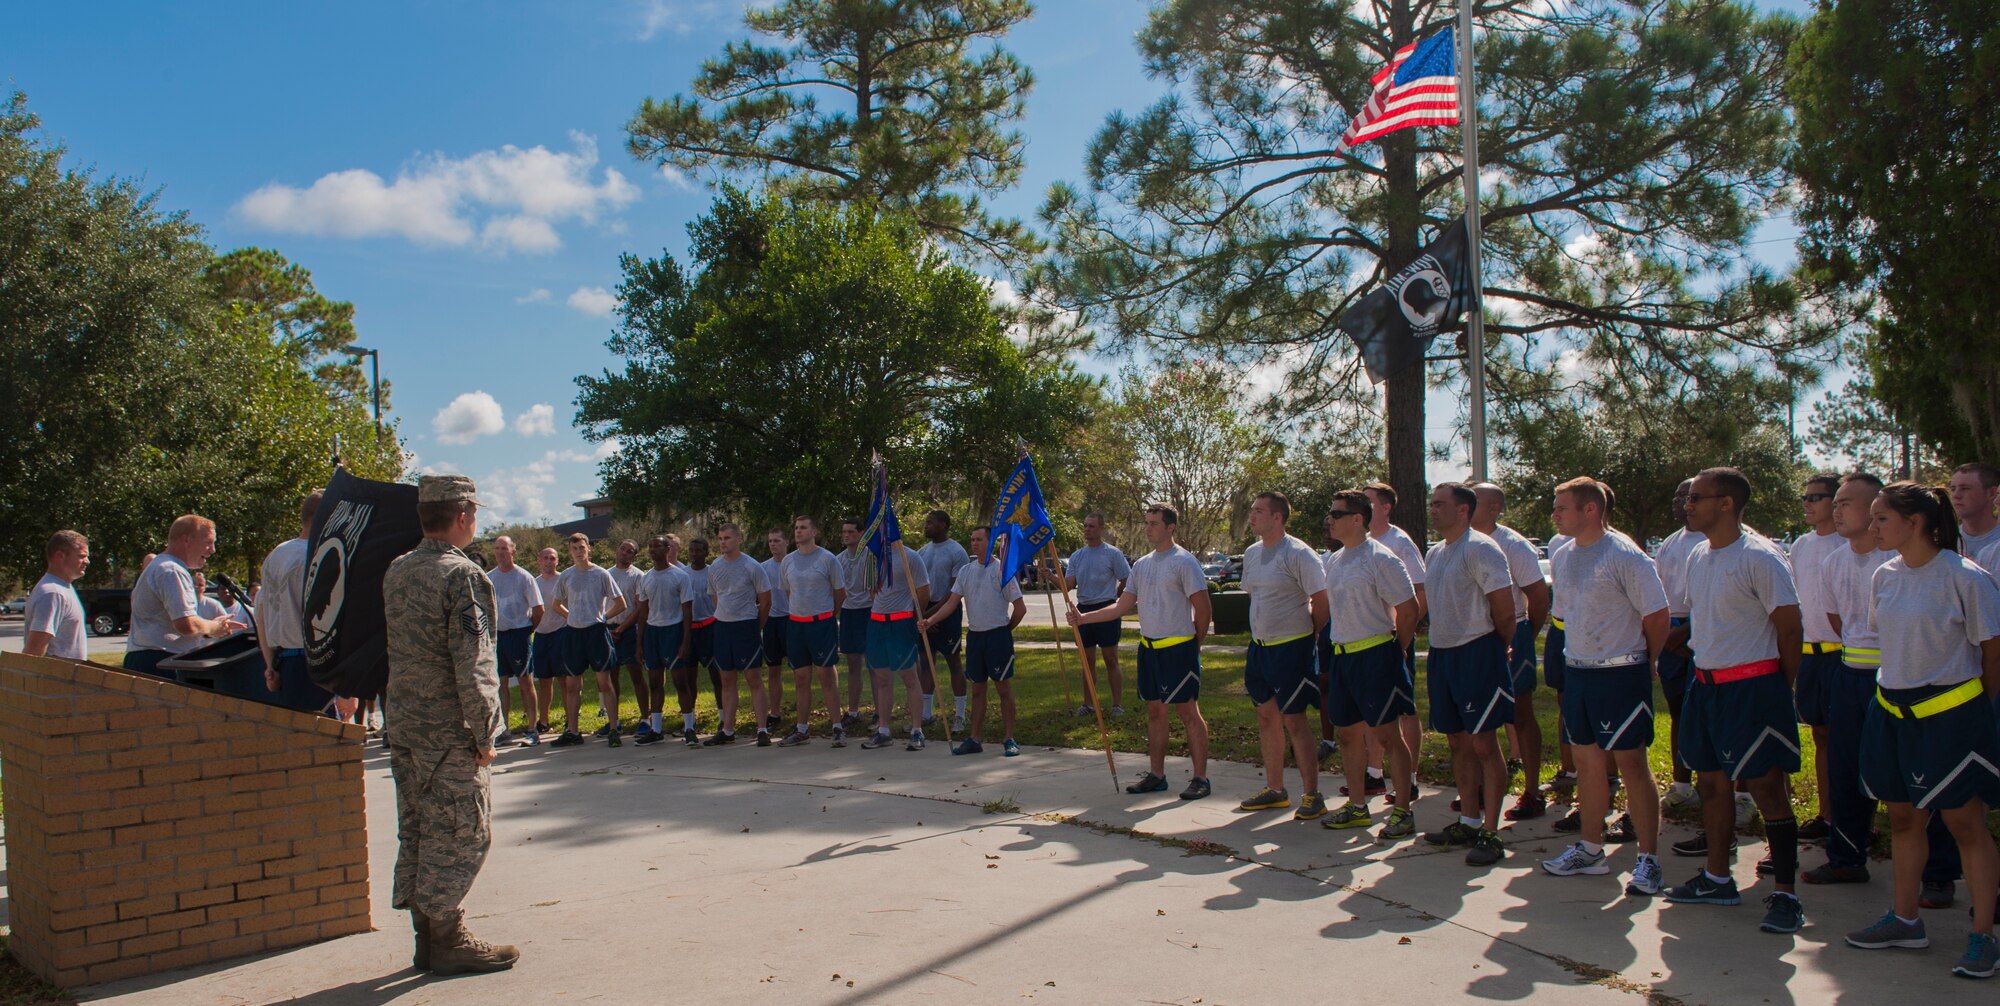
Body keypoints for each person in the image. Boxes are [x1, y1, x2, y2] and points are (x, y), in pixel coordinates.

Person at [1844, 482, 2000, 979]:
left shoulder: (1966, 578)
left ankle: (1983, 937)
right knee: (1905, 820)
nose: (1872, 528)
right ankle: (1905, 920)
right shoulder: (1884, 576)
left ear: (1915, 523)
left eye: (1881, 519)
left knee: (1965, 825)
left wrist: (1975, 715)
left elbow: (1992, 655)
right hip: (1891, 712)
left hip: (1951, 718)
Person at [381, 474, 517, 975]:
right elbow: (474, 658)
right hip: (447, 728)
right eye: (474, 514)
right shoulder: (461, 576)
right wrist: (486, 732)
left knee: (418, 828)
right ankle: (447, 938)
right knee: (463, 832)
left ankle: (428, 939)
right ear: (462, 516)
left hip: (406, 725)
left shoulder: (397, 571)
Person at [1663, 467, 1808, 935]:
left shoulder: (1761, 558)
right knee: (1711, 785)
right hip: (1706, 686)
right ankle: (1717, 878)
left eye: (1698, 497)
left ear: (1726, 503)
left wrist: (1775, 688)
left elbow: (1789, 629)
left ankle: (1786, 894)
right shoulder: (1699, 556)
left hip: (1754, 687)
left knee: (1766, 788)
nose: (1688, 504)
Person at [1537, 478, 1671, 896]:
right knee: (1588, 763)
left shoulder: (1625, 554)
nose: (1555, 514)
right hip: (1579, 671)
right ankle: (1591, 850)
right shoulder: (1563, 555)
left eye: (1562, 507)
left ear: (1591, 509)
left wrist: (1648, 661)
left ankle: (1648, 861)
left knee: (1631, 764)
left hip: (1620, 673)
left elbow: (1657, 616)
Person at [1070, 504, 1213, 799]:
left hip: (1179, 649)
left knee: (1189, 713)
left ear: (1170, 527)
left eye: (1154, 524)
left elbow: (1203, 610)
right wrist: (1084, 618)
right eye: (1146, 523)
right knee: (1155, 712)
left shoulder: (1184, 562)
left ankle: (1200, 778)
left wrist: (1193, 647)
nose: (1148, 528)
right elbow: (1122, 606)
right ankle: (1157, 775)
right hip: (1149, 649)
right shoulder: (1142, 565)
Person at [1417, 483, 1518, 867]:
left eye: (1439, 504)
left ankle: (1491, 832)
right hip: (1443, 656)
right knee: (1458, 743)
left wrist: (1497, 646)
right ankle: (1469, 820)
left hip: (1478, 654)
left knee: (1483, 745)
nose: (1432, 510)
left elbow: (1504, 610)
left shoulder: (1481, 548)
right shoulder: (1436, 553)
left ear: (1463, 510)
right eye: (1432, 503)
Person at [1315, 491, 1419, 839]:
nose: (1329, 519)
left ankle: (1403, 810)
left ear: (1358, 519)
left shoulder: (1381, 558)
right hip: (1343, 656)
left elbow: (1408, 610)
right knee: (1347, 735)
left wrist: (1397, 650)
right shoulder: (1336, 560)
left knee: (1388, 735)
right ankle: (1358, 806)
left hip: (1376, 655)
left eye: (1336, 513)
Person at [1810, 472, 1890, 886]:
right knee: (1844, 768)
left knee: (1903, 774)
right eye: (1835, 502)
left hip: (1893, 680)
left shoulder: (1894, 561)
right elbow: (1840, 621)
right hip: (1849, 675)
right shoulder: (1833, 562)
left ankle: (1937, 872)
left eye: (1846, 503)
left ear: (1875, 508)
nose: (1837, 510)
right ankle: (1845, 856)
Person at [1235, 491, 1329, 819]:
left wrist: (1310, 636)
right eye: (1252, 510)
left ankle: (1312, 795)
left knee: (1295, 720)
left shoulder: (1300, 553)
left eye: (1259, 511)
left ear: (1278, 517)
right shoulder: (1251, 553)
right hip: (1260, 648)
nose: (1252, 516)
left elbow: (1322, 599)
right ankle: (1275, 790)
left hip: (1293, 648)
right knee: (1266, 716)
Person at [1472, 482, 1553, 820]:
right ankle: (1479, 791)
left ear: (1493, 508)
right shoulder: (1460, 543)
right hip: (1474, 637)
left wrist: (1523, 635)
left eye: (1474, 501)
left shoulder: (1513, 545)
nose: (1465, 505)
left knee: (1520, 713)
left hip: (1511, 631)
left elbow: (1538, 596)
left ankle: (1532, 792)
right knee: (1476, 718)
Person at [925, 525, 1025, 756]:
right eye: (972, 539)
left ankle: (1009, 738)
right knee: (977, 689)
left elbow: (1020, 608)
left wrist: (1006, 629)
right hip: (975, 637)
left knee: (1003, 689)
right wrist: (929, 620)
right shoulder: (966, 571)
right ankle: (974, 738)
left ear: (990, 543)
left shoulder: (1002, 570)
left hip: (997, 636)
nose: (974, 543)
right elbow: (951, 603)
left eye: (979, 539)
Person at [1363, 481, 1427, 798]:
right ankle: (1374, 773)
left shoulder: (1399, 543)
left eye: (1368, 501)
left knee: (1405, 710)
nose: (1362, 504)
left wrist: (1403, 640)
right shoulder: (1360, 541)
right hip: (1368, 640)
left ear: (1386, 507)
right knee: (1373, 709)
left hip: (1395, 639)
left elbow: (1419, 593)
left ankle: (1410, 778)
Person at [1791, 474, 1846, 842]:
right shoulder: (1800, 546)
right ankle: (1827, 816)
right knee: (1822, 737)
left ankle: (1858, 822)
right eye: (1805, 497)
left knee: (1849, 740)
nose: (1809, 503)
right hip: (1809, 654)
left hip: (1845, 656)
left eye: (1817, 497)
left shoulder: (1853, 544)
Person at [124, 515, 243, 678]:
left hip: (150, 659)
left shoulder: (161, 566)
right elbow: (186, 625)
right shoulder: (171, 571)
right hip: (160, 663)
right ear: (186, 540)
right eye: (208, 542)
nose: (213, 549)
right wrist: (216, 628)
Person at [255, 493, 332, 715]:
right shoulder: (316, 556)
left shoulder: (276, 555)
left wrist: (270, 665)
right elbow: (326, 620)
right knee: (325, 743)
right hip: (314, 667)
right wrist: (345, 689)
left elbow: (262, 615)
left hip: (284, 664)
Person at [549, 533, 626, 747]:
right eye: (574, 548)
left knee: (605, 683)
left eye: (582, 547)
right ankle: (573, 732)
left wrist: (603, 618)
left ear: (588, 548)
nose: (579, 551)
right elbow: (556, 604)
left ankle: (613, 729)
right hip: (574, 633)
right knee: (572, 685)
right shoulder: (566, 576)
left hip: (596, 633)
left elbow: (621, 603)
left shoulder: (600, 574)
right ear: (570, 550)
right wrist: (571, 616)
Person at [777, 516, 847, 747]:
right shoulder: (788, 561)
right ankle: (802, 729)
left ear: (814, 531)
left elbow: (839, 593)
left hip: (822, 624)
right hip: (796, 625)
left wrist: (826, 614)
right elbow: (789, 593)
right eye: (796, 528)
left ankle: (837, 727)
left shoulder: (827, 559)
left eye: (803, 527)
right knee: (800, 678)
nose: (798, 531)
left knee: (826, 675)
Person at [1655, 479, 1703, 814]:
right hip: (1672, 635)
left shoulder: (1717, 541)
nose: (1680, 503)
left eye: (1687, 496)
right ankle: (1682, 786)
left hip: (1704, 630)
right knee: (1679, 713)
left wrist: (1689, 631)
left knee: (1710, 716)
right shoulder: (1670, 544)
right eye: (1676, 496)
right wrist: (1669, 637)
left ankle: (1738, 796)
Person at [704, 524, 773, 746]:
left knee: (753, 678)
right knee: (726, 679)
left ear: (739, 539)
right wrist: (725, 615)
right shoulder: (714, 567)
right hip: (723, 627)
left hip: (746, 627)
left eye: (727, 538)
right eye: (720, 538)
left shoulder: (752, 566)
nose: (723, 542)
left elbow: (765, 600)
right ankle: (727, 730)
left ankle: (762, 729)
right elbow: (715, 597)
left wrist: (756, 626)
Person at [861, 538, 931, 751]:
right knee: (882, 679)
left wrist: (912, 615)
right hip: (877, 623)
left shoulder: (909, 556)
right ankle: (883, 731)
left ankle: (917, 730)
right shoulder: (873, 556)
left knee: (910, 677)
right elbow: (871, 590)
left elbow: (924, 591)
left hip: (901, 622)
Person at [1066, 514, 1132, 719]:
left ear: (1101, 528)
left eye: (1092, 526)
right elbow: (1067, 585)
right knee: (1087, 661)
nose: (1087, 529)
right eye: (1085, 526)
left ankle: (1117, 705)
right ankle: (1088, 704)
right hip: (1083, 610)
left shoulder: (1112, 554)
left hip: (1106, 609)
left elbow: (1126, 579)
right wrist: (1051, 577)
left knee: (1111, 659)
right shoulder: (1077, 556)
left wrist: (1115, 599)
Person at [629, 534, 693, 745]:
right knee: (655, 682)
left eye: (658, 546)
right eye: (650, 546)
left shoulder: (680, 576)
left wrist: (685, 641)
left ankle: (689, 727)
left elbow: (687, 611)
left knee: (680, 682)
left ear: (668, 549)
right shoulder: (646, 577)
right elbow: (642, 611)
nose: (653, 549)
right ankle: (656, 729)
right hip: (653, 633)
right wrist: (639, 644)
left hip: (672, 631)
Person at [483, 535, 544, 745]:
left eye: (505, 548)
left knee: (525, 682)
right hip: (498, 636)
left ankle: (532, 729)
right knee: (500, 683)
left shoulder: (523, 577)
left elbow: (538, 608)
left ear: (513, 551)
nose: (501, 552)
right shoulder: (489, 577)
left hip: (519, 633)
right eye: (497, 548)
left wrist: (527, 629)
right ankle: (503, 729)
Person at [919, 511, 971, 731]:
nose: (926, 526)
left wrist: (934, 616)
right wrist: (923, 615)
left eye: (930, 522)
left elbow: (954, 590)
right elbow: (918, 586)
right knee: (926, 663)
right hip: (924, 613)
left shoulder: (957, 552)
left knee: (953, 663)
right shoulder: (922, 552)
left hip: (947, 614)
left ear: (943, 525)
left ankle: (959, 714)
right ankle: (926, 713)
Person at [23, 530, 89, 661]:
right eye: (81, 556)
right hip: (54, 679)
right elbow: (34, 650)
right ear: (60, 556)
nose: (87, 561)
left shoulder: (63, 588)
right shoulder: (53, 593)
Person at [604, 540, 647, 739]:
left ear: (634, 556)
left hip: (629, 630)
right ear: (617, 550)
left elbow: (639, 607)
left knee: (636, 675)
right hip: (608, 629)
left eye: (630, 552)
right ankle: (614, 721)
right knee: (610, 678)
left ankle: (645, 719)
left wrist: (622, 627)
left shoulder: (638, 576)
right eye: (623, 549)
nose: (625, 553)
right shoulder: (605, 574)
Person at [837, 519, 875, 728]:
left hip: (868, 611)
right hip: (848, 613)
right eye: (844, 532)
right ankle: (853, 711)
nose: (847, 535)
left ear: (861, 533)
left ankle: (880, 711)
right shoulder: (838, 559)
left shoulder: (871, 556)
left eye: (851, 532)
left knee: (874, 665)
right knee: (853, 664)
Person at [529, 547, 565, 737]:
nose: (549, 561)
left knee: (564, 680)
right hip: (541, 635)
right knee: (544, 681)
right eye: (545, 558)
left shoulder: (563, 579)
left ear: (557, 561)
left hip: (560, 632)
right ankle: (543, 721)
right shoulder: (533, 583)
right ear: (539, 560)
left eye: (552, 558)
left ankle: (570, 719)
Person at [762, 528, 793, 735]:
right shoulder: (762, 567)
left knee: (801, 669)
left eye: (777, 541)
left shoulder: (794, 563)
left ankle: (802, 716)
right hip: (772, 621)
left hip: (792, 619)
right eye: (770, 541)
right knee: (773, 669)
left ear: (786, 542)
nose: (773, 544)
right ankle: (774, 712)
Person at [1950, 463, 2000, 559]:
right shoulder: (1946, 542)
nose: (1956, 495)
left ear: (1991, 493)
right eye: (1953, 489)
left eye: (1965, 488)